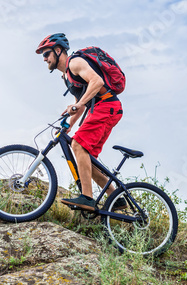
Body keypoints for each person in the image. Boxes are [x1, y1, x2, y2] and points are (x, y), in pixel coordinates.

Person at [36, 33, 124, 211]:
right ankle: (116, 198)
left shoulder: (75, 63)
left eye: (46, 54)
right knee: (87, 161)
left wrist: (78, 105)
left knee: (78, 145)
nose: (44, 59)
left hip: (106, 106)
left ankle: (87, 198)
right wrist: (67, 125)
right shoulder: (66, 77)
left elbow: (96, 82)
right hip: (101, 109)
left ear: (58, 50)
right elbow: (80, 105)